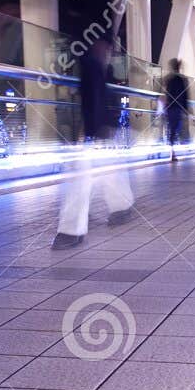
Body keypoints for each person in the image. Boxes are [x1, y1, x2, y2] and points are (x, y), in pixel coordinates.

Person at [54, 31, 135, 249]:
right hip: (95, 130)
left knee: (82, 176)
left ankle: (71, 231)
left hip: (93, 131)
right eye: (108, 48)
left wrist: (92, 129)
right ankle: (120, 209)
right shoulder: (96, 67)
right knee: (104, 170)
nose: (109, 52)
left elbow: (94, 100)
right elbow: (97, 100)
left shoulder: (96, 67)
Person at [162, 58, 190, 161]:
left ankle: (172, 151)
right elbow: (185, 95)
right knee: (175, 128)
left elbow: (166, 93)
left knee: (172, 128)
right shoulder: (182, 80)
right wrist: (186, 108)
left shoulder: (168, 79)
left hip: (170, 107)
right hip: (177, 108)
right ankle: (172, 151)